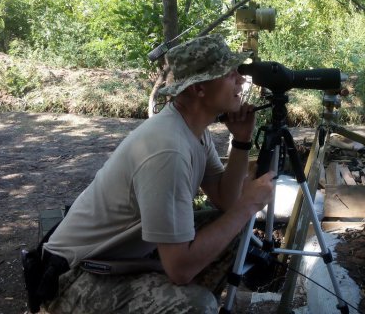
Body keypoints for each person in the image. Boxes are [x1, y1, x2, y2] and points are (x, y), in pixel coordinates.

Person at [38, 33, 275, 313]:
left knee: (236, 230)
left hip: (121, 259)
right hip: (72, 278)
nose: (240, 78)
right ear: (199, 88)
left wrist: (242, 142)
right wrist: (247, 206)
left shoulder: (194, 132)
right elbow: (180, 269)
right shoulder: (168, 150)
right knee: (197, 306)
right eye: (229, 73)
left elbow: (225, 200)